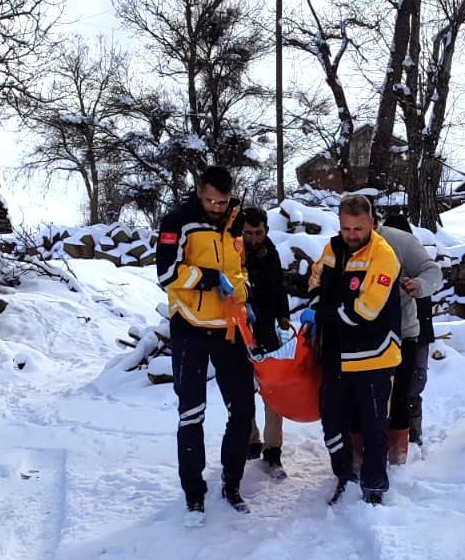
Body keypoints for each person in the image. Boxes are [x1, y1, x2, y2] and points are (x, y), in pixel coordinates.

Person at [156, 166, 255, 522]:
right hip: (191, 328)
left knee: (243, 408)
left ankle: (232, 482)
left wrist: (242, 291)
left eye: (222, 201)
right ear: (199, 191)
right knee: (191, 412)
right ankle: (193, 492)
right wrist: (209, 278)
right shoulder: (178, 221)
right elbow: (165, 273)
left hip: (228, 328)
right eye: (210, 199)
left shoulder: (234, 223)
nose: (216, 206)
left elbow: (240, 270)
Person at [303, 194, 402, 506]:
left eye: (358, 229)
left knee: (374, 426)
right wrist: (318, 302)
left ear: (372, 223)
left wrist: (322, 314)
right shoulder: (333, 248)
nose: (352, 235)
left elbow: (365, 311)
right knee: (332, 420)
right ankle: (344, 474)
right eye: (346, 228)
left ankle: (375, 485)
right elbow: (315, 280)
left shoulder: (383, 256)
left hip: (374, 354)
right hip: (336, 355)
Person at [380, 214, 441, 450]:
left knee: (412, 386)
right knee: (400, 389)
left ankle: (413, 435)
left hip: (415, 333)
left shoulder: (412, 259)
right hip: (402, 333)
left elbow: (425, 292)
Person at [239, 207, 292, 480]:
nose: (254, 238)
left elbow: (278, 287)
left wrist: (283, 314)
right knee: (241, 389)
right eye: (248, 233)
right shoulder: (233, 252)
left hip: (267, 330)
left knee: (273, 391)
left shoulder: (271, 252)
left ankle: (273, 449)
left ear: (266, 231)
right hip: (239, 330)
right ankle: (250, 440)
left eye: (258, 233)